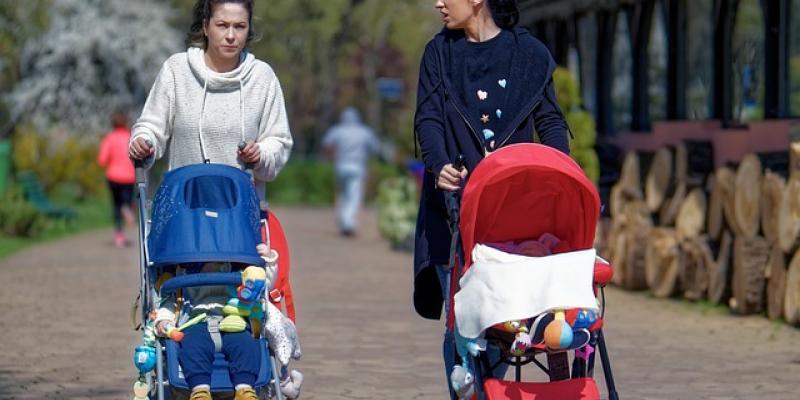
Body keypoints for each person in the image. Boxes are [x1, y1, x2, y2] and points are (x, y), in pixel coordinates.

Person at [128, 1, 293, 399]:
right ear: (205, 25)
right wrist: (145, 141)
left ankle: (252, 377)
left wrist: (262, 153)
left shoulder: (262, 78)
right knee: (183, 300)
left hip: (239, 223)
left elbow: (279, 140)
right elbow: (151, 124)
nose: (231, 35)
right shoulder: (176, 72)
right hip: (184, 221)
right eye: (222, 25)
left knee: (243, 305)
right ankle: (186, 376)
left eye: (240, 26)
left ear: (249, 28)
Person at [413, 0, 570, 396]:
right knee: (464, 319)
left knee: (504, 317)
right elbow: (428, 118)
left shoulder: (529, 54)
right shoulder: (440, 53)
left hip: (516, 211)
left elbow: (549, 120)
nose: (438, 3)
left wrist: (559, 174)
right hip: (454, 208)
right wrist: (439, 164)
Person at [322, 107, 379, 237]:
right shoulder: (364, 131)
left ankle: (343, 220)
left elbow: (326, 143)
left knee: (342, 194)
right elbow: (374, 147)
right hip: (358, 165)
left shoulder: (337, 130)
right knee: (354, 194)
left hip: (341, 164)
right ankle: (348, 222)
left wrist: (331, 155)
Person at [97, 111, 136, 248]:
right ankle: (127, 207)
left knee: (116, 205)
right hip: (129, 177)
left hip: (113, 176)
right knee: (127, 200)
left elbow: (102, 160)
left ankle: (119, 236)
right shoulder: (130, 137)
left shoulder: (109, 138)